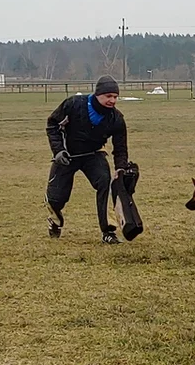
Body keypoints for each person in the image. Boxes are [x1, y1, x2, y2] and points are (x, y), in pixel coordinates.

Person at [45, 75, 133, 243]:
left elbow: (120, 148)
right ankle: (55, 221)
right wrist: (58, 151)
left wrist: (120, 168)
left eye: (115, 97)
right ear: (97, 94)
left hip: (94, 155)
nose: (112, 100)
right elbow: (52, 125)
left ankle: (109, 231)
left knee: (106, 183)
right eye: (108, 96)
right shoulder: (73, 105)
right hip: (67, 156)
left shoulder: (116, 119)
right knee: (56, 198)